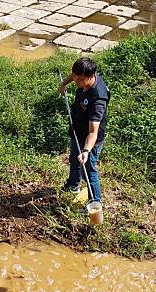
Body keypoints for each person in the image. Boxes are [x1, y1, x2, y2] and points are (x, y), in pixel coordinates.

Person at [59, 57, 110, 204]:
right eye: (75, 77)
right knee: (74, 158)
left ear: (91, 76)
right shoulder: (82, 75)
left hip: (91, 138)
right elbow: (74, 74)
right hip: (78, 128)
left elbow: (93, 132)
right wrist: (63, 83)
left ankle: (95, 202)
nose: (76, 82)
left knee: (88, 168)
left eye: (80, 80)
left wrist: (87, 151)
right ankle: (73, 185)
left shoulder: (98, 100)